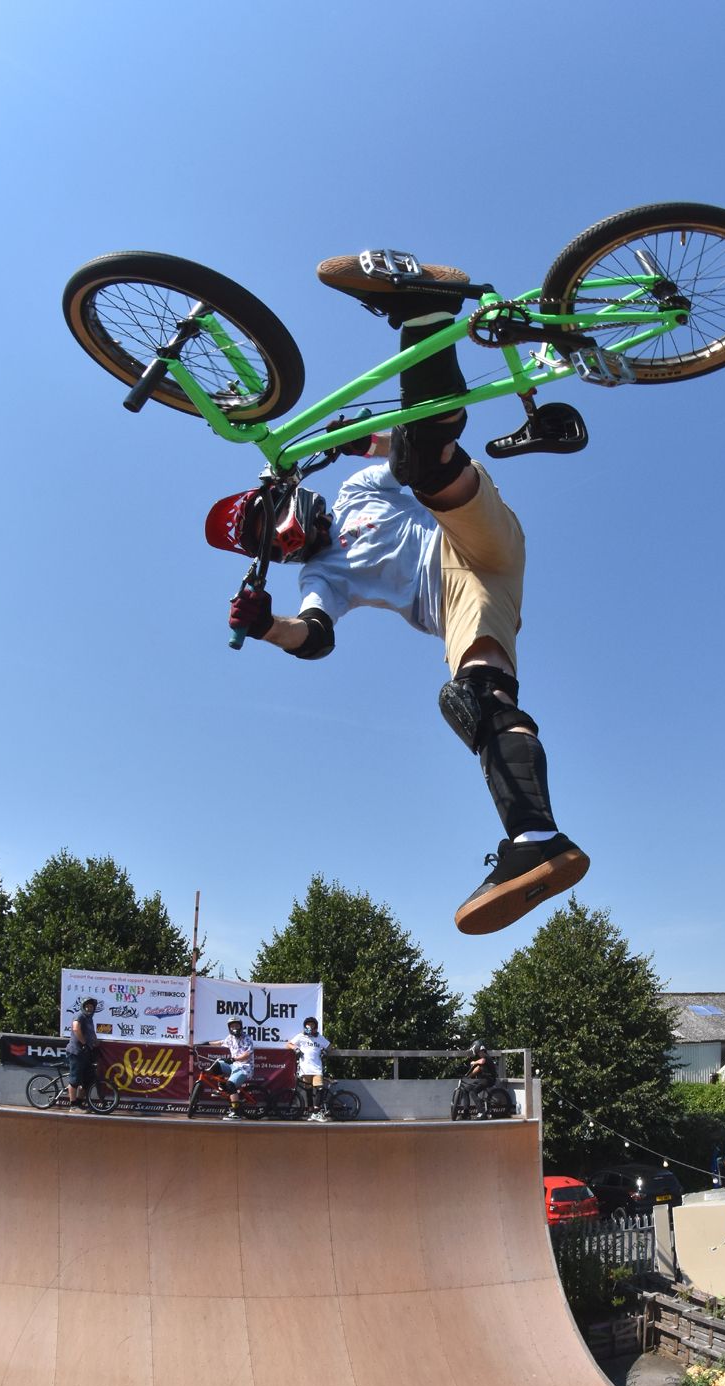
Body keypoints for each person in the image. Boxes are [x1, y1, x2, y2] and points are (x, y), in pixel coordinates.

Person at [206, 250, 589, 937]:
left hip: (464, 534)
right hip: (464, 597)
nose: (285, 540)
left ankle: (427, 314)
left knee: (421, 462)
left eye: (273, 523)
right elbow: (314, 637)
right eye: (271, 543)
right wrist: (266, 626)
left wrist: (361, 442)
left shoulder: (356, 490)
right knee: (473, 700)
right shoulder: (322, 577)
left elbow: (400, 448)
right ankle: (537, 840)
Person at [209, 1018, 257, 1119]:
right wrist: (206, 1043)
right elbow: (221, 1043)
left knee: (230, 1084)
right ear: (229, 1028)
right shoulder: (230, 1038)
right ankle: (223, 1088)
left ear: (241, 1027)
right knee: (217, 1065)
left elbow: (247, 1055)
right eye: (232, 1026)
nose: (234, 1028)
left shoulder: (247, 1038)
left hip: (244, 1068)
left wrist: (234, 1059)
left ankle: (236, 1113)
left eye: (237, 1026)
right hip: (234, 1065)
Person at [287, 1016, 332, 1118]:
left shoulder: (319, 1037)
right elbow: (289, 1044)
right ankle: (311, 1111)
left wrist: (325, 1052)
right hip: (305, 1069)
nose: (310, 1027)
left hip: (317, 1068)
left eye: (312, 1025)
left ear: (315, 1027)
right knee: (308, 1090)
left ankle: (316, 1111)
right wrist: (296, 1049)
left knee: (320, 1088)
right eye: (308, 1025)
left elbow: (330, 1046)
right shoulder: (301, 1036)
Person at [65, 997, 103, 1110]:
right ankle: (73, 1106)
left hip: (86, 1053)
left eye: (91, 1007)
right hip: (76, 1052)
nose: (89, 1008)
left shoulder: (90, 1019)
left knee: (87, 1080)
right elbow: (76, 1029)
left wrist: (96, 1042)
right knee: (75, 1080)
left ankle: (79, 1103)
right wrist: (84, 1043)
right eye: (87, 1006)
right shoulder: (79, 1016)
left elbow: (92, 1034)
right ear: (83, 1007)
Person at [456, 1041, 498, 1117]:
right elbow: (477, 1069)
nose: (479, 1054)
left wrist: (474, 1062)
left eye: (479, 1052)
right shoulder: (481, 1058)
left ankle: (482, 1113)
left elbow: (482, 1061)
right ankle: (466, 1113)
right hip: (482, 1080)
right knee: (465, 1090)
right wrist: (468, 1076)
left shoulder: (486, 1057)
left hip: (489, 1079)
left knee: (473, 1092)